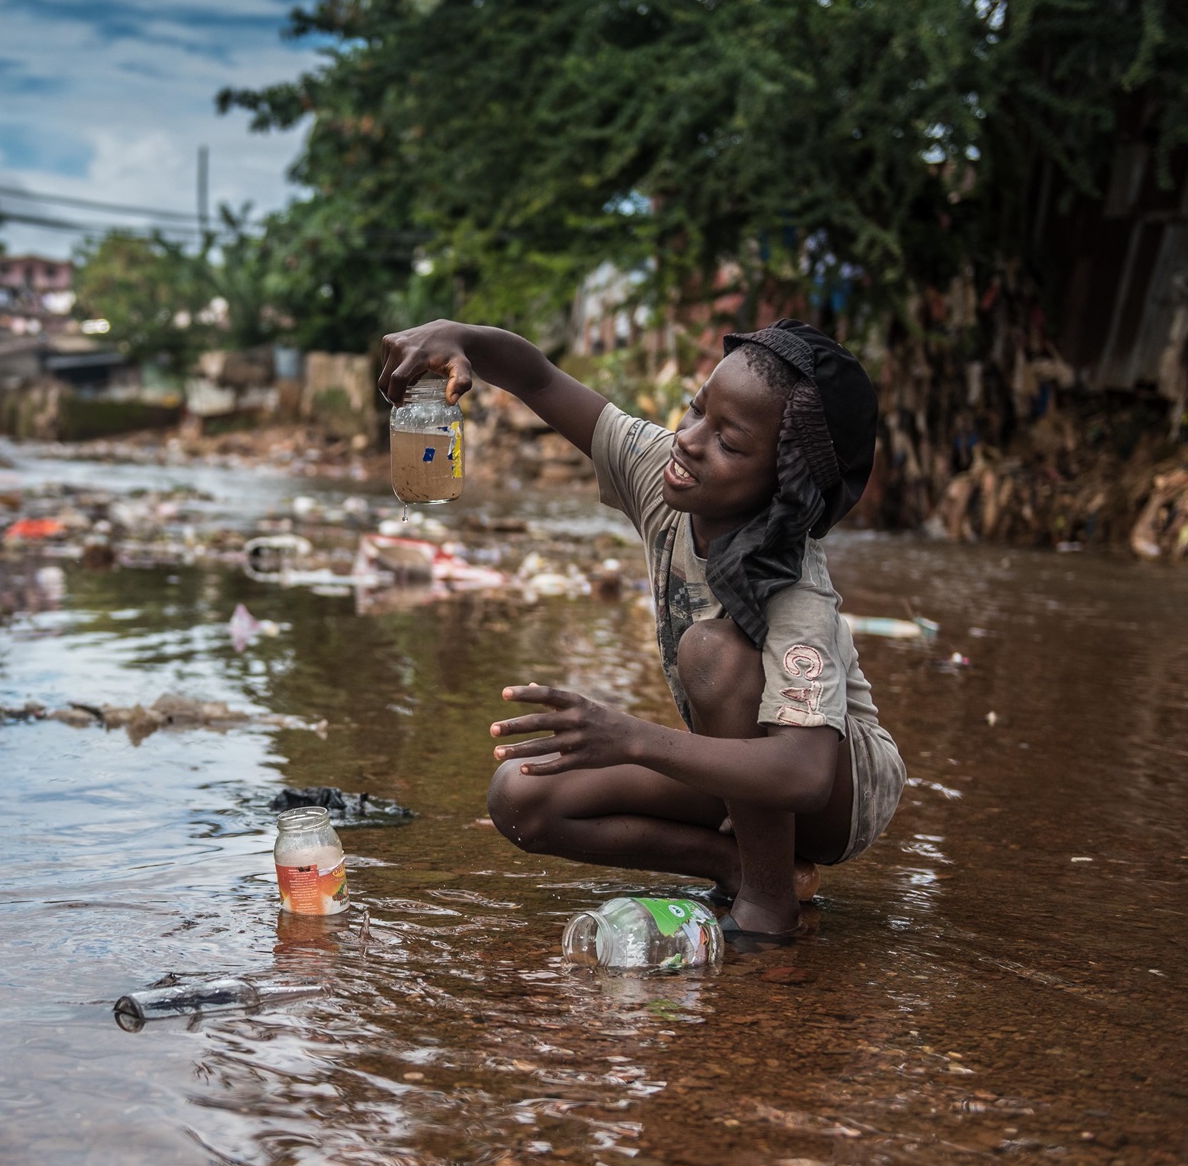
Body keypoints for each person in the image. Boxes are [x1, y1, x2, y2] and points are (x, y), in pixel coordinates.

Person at [379, 317, 904, 941]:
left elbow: (807, 773)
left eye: (730, 445)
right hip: (747, 771)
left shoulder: (795, 585)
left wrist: (631, 738)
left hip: (840, 793)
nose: (690, 440)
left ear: (783, 491)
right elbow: (538, 377)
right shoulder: (662, 472)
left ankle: (768, 910)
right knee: (522, 797)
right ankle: (741, 867)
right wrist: (459, 337)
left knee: (712, 651)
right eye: (696, 409)